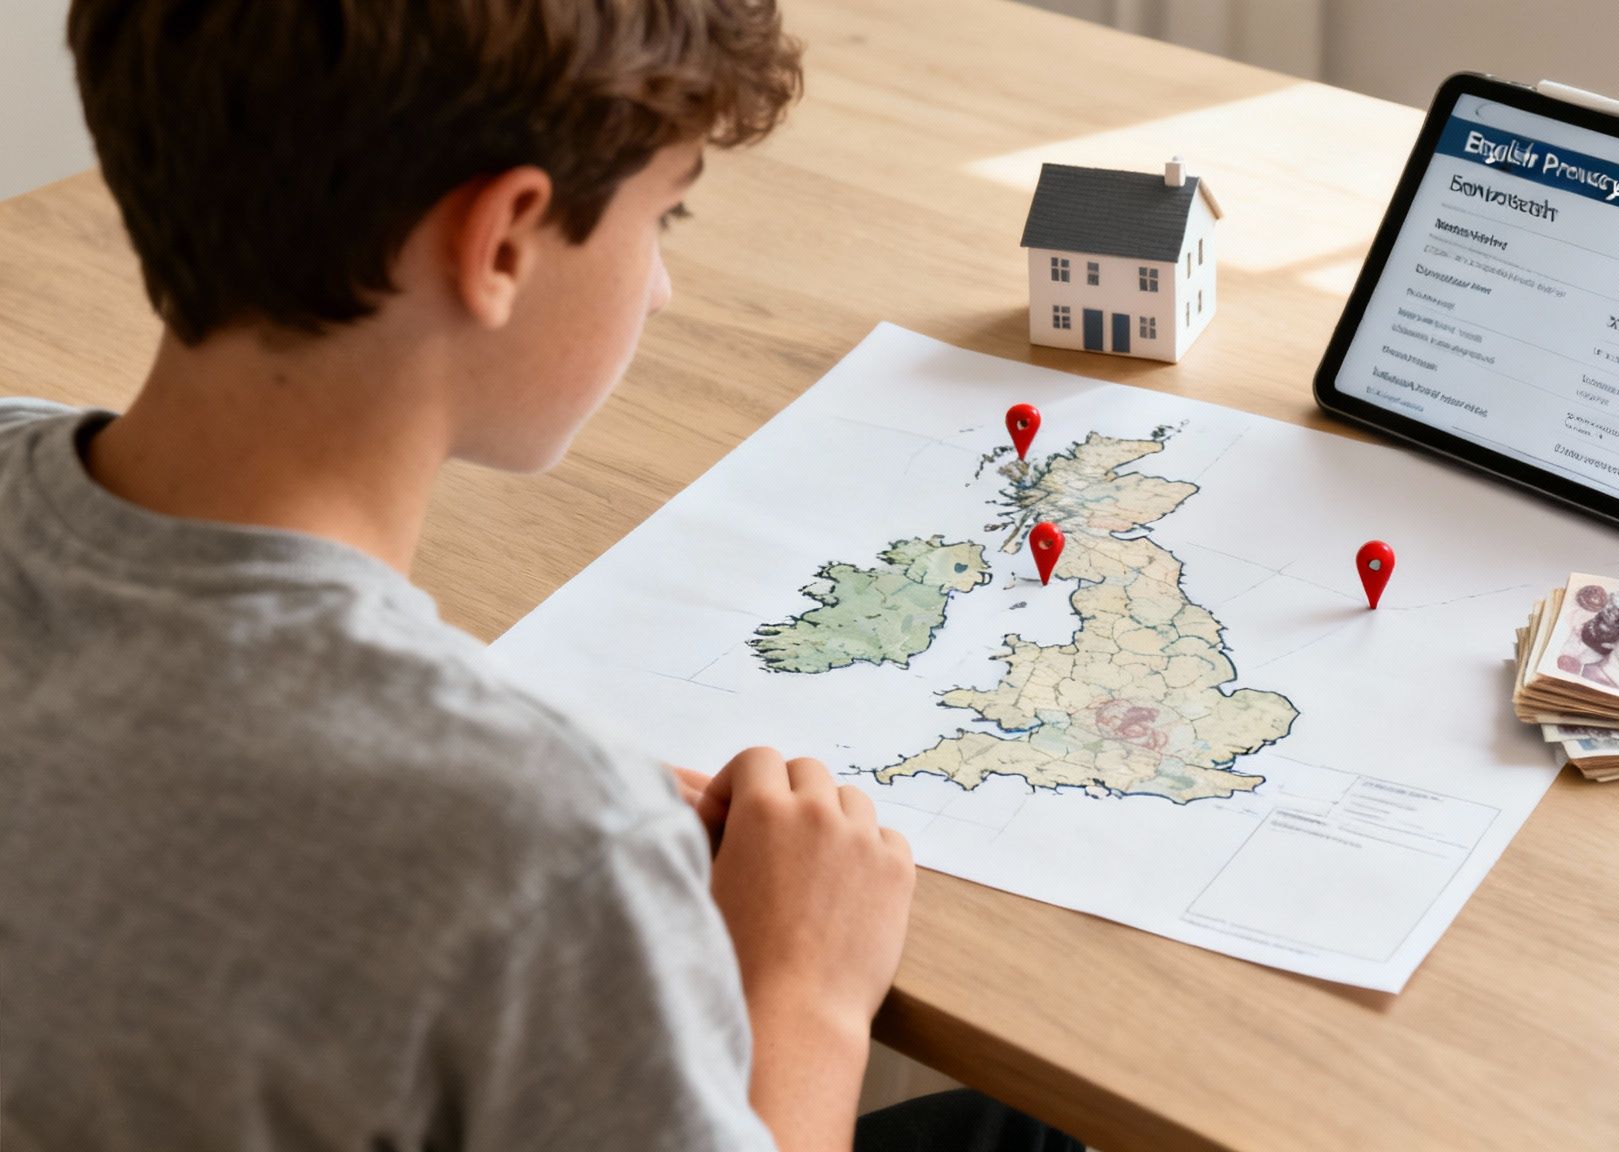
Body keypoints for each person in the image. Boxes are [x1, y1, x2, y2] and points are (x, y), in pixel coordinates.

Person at [0, 3, 1076, 1150]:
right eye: (664, 215)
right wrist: (804, 989)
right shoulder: (539, 847)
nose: (658, 287)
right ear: (503, 242)